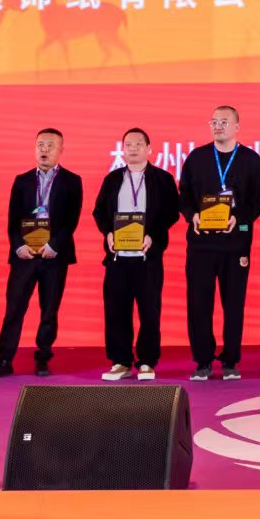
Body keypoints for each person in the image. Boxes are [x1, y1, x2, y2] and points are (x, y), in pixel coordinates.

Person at [177, 106, 260, 380]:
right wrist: (192, 215)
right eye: (214, 121)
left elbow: (259, 199)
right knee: (199, 303)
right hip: (201, 244)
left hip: (235, 242)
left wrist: (239, 218)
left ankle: (230, 360)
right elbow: (183, 195)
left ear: (237, 126)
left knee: (234, 303)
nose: (218, 126)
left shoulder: (250, 159)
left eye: (224, 121)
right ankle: (203, 360)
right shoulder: (197, 157)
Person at [0, 128, 84, 379]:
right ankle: (4, 360)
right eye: (40, 145)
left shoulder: (72, 181)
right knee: (14, 309)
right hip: (25, 255)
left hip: (54, 256)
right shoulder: (22, 180)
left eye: (50, 145)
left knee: (49, 310)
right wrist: (18, 246)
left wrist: (55, 245)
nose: (44, 150)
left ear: (61, 150)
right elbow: (13, 219)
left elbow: (71, 220)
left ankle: (42, 359)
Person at [92, 128, 181, 380]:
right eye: (128, 144)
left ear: (149, 149)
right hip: (117, 258)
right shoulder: (113, 179)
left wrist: (153, 235)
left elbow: (171, 213)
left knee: (149, 312)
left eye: (138, 144)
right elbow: (99, 212)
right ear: (122, 149)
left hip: (147, 258)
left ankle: (147, 362)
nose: (133, 148)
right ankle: (120, 361)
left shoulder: (162, 179)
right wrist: (108, 233)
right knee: (116, 311)